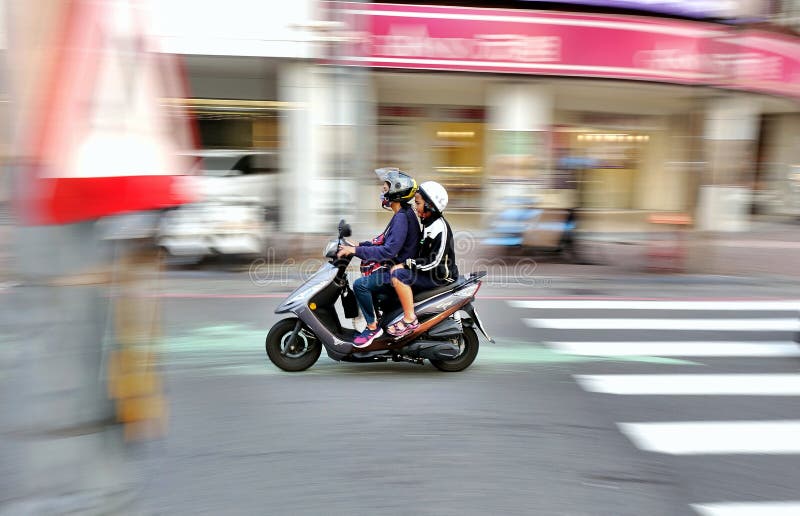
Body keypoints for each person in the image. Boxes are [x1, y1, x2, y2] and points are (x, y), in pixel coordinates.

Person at [337, 168, 420, 347]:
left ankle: (372, 326)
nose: (382, 192)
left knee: (360, 285)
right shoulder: (402, 214)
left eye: (385, 189)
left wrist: (355, 251)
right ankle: (380, 317)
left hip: (401, 272)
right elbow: (382, 242)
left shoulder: (402, 218)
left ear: (396, 191)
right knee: (366, 280)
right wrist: (359, 245)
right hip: (396, 267)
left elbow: (387, 251)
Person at [386, 181, 458, 338]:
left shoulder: (440, 228)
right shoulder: (428, 222)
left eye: (418, 203)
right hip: (428, 271)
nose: (414, 207)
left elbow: (434, 261)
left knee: (399, 276)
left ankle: (410, 319)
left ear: (430, 205)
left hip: (439, 276)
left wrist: (406, 265)